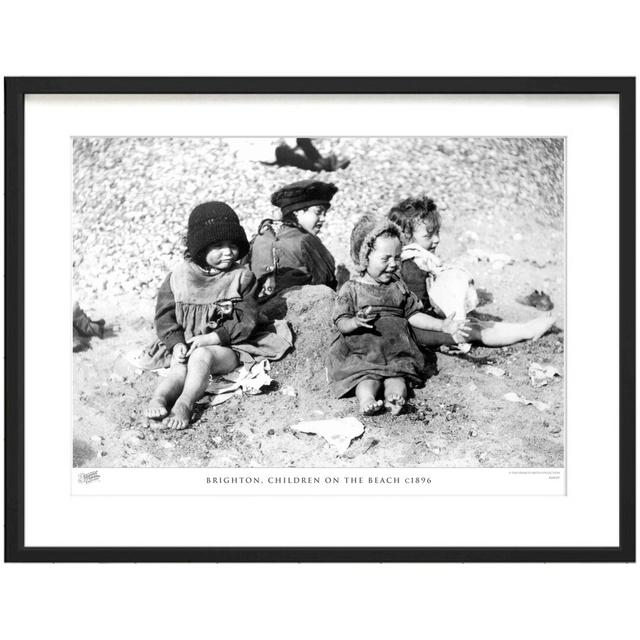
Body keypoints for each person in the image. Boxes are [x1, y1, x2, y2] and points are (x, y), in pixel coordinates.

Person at [145, 201, 290, 429]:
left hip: (226, 345)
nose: (228, 252)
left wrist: (212, 338)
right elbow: (164, 316)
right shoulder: (179, 276)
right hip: (186, 343)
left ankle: (185, 403)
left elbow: (247, 318)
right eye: (218, 246)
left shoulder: (242, 278)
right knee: (179, 365)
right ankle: (160, 398)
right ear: (200, 248)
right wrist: (175, 343)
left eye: (232, 245)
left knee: (202, 356)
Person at [327, 216, 469, 416]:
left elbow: (413, 314)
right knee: (367, 379)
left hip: (396, 352)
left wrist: (442, 325)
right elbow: (341, 323)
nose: (393, 264)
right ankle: (366, 399)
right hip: (363, 353)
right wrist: (355, 321)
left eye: (397, 257)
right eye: (385, 259)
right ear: (364, 258)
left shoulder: (398, 286)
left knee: (398, 378)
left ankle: (395, 398)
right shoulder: (351, 289)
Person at [387, 196, 556, 349]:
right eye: (428, 235)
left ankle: (524, 328)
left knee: (474, 322)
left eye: (437, 233)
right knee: (473, 329)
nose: (437, 239)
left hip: (418, 325)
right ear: (406, 237)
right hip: (415, 331)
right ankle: (527, 331)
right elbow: (418, 311)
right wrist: (444, 319)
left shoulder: (414, 260)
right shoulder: (412, 266)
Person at [247, 179, 339, 299]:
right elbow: (327, 285)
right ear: (296, 212)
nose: (323, 219)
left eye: (324, 213)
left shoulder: (258, 238)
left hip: (258, 311)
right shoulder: (307, 241)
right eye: (318, 212)